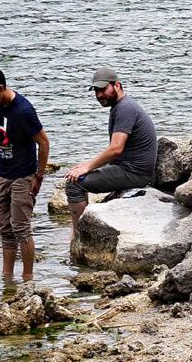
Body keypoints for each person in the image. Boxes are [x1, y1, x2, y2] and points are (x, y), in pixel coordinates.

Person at [62, 67, 159, 242]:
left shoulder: (125, 108)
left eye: (103, 89)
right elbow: (115, 152)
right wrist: (85, 166)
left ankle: (79, 236)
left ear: (117, 85)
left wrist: (87, 167)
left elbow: (116, 149)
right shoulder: (121, 107)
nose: (99, 95)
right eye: (96, 91)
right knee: (78, 172)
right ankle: (82, 225)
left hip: (135, 173)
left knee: (74, 184)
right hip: (129, 167)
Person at [0, 65, 49, 284]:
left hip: (24, 175)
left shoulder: (23, 111)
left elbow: (44, 142)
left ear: (1, 88)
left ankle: (28, 279)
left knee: (21, 227)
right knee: (5, 227)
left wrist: (39, 176)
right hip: (4, 174)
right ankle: (7, 278)